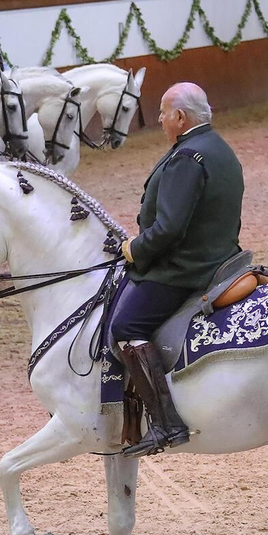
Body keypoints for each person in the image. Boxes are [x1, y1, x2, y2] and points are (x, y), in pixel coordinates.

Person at [109, 82, 242, 457]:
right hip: (220, 255)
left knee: (126, 325)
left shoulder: (187, 157)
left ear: (180, 117)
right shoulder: (218, 146)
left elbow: (168, 228)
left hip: (187, 267)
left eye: (164, 114)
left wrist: (134, 249)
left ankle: (167, 423)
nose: (161, 120)